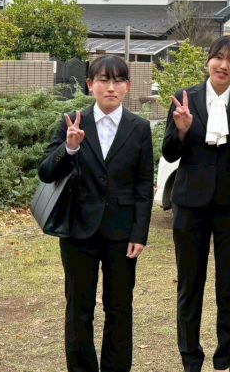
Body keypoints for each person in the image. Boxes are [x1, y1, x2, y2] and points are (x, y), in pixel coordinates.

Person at [39, 54, 154, 372]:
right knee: (79, 309)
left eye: (118, 80)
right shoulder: (71, 121)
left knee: (120, 308)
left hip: (122, 232)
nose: (111, 87)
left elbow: (144, 184)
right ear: (90, 84)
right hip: (78, 230)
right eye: (103, 79)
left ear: (128, 86)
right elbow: (46, 172)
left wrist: (140, 233)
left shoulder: (139, 128)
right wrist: (70, 148)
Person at [162, 35, 230, 372]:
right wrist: (182, 131)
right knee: (189, 285)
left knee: (229, 286)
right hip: (190, 203)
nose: (224, 65)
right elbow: (169, 153)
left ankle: (223, 361)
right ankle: (190, 360)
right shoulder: (184, 98)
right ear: (208, 60)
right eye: (219, 57)